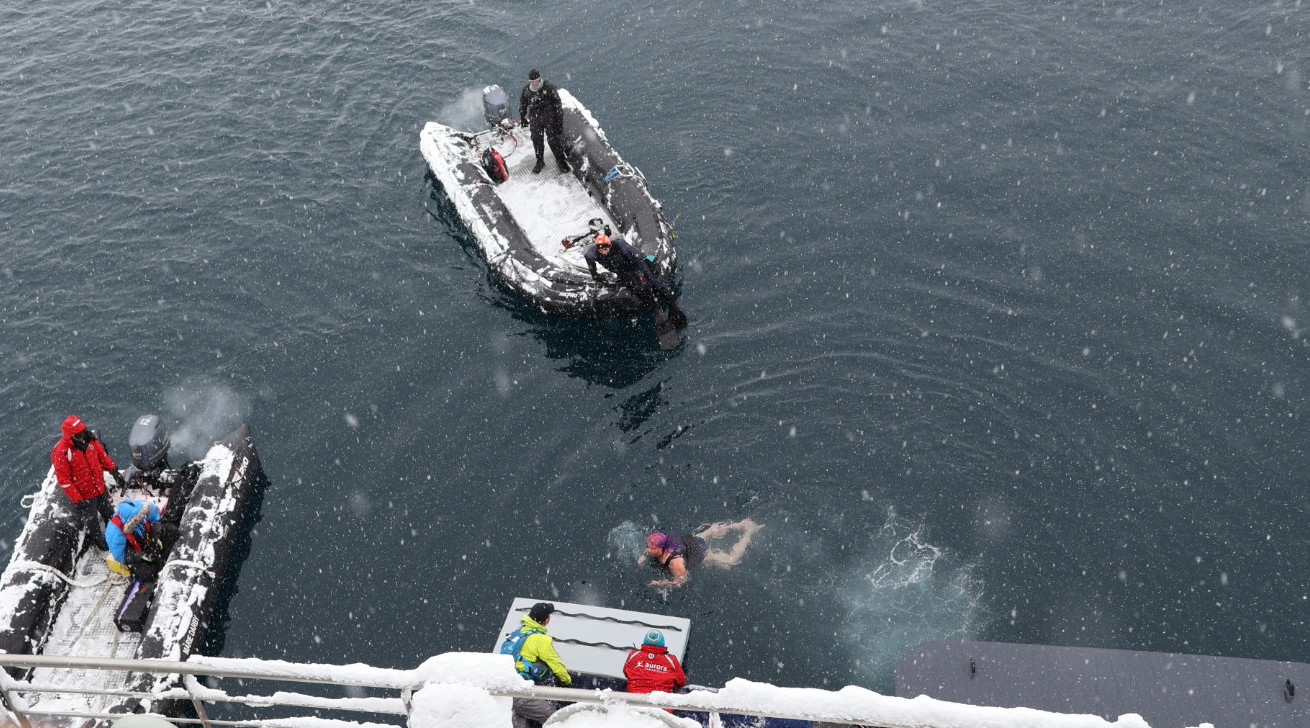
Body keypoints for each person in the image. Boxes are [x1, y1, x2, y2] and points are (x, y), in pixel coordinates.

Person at [51, 415, 124, 551]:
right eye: (78, 435)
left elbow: (102, 457)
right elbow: (64, 481)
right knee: (92, 522)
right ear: (71, 436)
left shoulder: (91, 441)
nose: (82, 437)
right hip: (85, 495)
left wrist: (114, 471)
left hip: (100, 488)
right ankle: (99, 541)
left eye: (82, 433)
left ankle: (115, 533)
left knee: (109, 513)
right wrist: (78, 500)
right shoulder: (61, 452)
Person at [584, 233, 687, 327]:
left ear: (610, 245)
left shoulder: (623, 249)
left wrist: (643, 276)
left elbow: (640, 261)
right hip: (623, 271)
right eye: (601, 250)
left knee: (653, 282)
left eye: (605, 249)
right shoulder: (593, 254)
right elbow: (588, 258)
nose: (604, 252)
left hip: (636, 265)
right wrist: (595, 275)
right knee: (638, 288)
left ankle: (672, 304)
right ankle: (656, 310)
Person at [500, 602, 573, 728]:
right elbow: (556, 664)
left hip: (506, 691)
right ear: (547, 620)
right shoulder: (540, 639)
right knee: (556, 720)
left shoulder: (517, 633)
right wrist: (567, 681)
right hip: (522, 693)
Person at [642, 518, 764, 588]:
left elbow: (684, 579)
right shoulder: (661, 540)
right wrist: (643, 557)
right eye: (649, 547)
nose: (648, 550)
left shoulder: (675, 564)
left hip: (700, 552)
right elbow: (652, 546)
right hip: (692, 541)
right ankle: (737, 525)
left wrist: (663, 584)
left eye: (652, 549)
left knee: (731, 560)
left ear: (661, 549)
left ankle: (748, 532)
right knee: (708, 534)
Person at [104, 498, 177, 580]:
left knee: (172, 531)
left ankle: (162, 559)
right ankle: (160, 564)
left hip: (148, 538)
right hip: (136, 552)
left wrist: (156, 540)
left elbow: (156, 519)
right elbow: (122, 556)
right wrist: (142, 555)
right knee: (148, 574)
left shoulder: (143, 507)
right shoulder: (113, 532)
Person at [518, 69, 570, 174]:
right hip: (535, 117)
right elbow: (523, 104)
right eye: (532, 82)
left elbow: (557, 104)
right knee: (537, 139)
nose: (534, 84)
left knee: (553, 140)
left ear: (540, 79)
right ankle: (540, 161)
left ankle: (560, 160)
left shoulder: (549, 87)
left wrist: (559, 121)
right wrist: (522, 117)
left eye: (536, 81)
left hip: (549, 115)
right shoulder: (526, 90)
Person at [623, 630, 686, 700]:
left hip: (634, 703)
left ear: (645, 641)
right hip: (661, 707)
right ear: (662, 643)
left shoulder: (633, 655)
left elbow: (626, 672)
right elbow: (681, 682)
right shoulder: (672, 660)